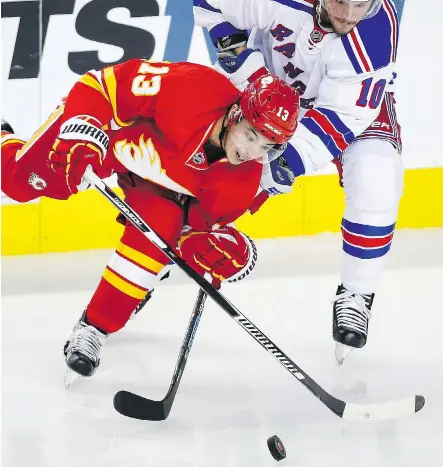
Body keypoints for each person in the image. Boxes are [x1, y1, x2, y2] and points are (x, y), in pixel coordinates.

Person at [1, 59, 300, 380]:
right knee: (19, 183)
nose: (253, 152)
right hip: (111, 141)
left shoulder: (241, 183)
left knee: (156, 240)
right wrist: (83, 131)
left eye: (268, 146)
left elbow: (191, 229)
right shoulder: (192, 87)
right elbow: (100, 86)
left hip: (157, 187)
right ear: (236, 115)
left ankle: (94, 328)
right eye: (251, 135)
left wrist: (210, 249)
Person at [193, 0, 403, 360]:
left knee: (378, 179)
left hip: (346, 110)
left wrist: (284, 161)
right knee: (206, 183)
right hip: (270, 97)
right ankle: (152, 260)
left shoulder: (377, 33)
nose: (347, 15)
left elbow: (342, 116)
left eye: (360, 4)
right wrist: (253, 76)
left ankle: (356, 296)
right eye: (339, 0)